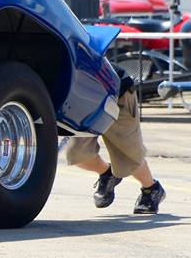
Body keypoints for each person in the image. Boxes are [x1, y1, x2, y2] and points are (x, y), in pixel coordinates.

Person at [66, 73, 166, 214]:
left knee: (129, 156)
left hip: (118, 94)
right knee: (77, 154)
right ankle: (108, 175)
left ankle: (152, 189)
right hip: (87, 101)